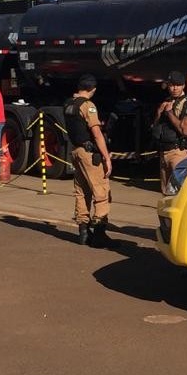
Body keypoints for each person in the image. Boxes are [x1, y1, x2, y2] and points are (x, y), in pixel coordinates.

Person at [65, 74, 112, 247]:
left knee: (82, 192)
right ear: (93, 89)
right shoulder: (88, 105)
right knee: (101, 191)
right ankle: (100, 234)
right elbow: (96, 133)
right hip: (88, 154)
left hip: (76, 151)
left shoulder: (68, 103)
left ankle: (83, 232)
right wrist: (107, 157)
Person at [152, 71, 187, 195]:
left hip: (178, 151)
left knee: (179, 191)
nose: (174, 88)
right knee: (165, 192)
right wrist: (159, 113)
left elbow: (184, 129)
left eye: (177, 85)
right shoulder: (166, 102)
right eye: (171, 85)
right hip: (164, 152)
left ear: (183, 86)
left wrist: (169, 113)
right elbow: (156, 128)